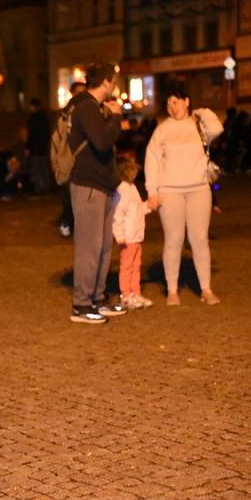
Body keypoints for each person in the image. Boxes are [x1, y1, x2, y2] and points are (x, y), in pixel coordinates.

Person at [145, 89, 223, 306]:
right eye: (169, 103)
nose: (172, 106)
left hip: (199, 188)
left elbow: (217, 128)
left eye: (176, 101)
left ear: (186, 101)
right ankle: (172, 290)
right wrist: (152, 191)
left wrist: (201, 111)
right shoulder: (162, 130)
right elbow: (152, 159)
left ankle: (206, 288)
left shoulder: (199, 125)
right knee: (173, 239)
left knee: (199, 239)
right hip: (170, 190)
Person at [68, 62, 127, 324]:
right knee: (89, 248)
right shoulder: (86, 108)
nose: (113, 86)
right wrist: (115, 117)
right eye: (111, 81)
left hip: (101, 185)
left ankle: (97, 298)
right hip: (88, 185)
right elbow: (102, 142)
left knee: (102, 247)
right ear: (105, 82)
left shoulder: (92, 108)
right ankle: (81, 304)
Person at [112, 156, 153, 310]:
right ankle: (126, 295)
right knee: (127, 266)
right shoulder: (121, 190)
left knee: (136, 266)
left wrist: (149, 205)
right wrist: (119, 235)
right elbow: (118, 214)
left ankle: (135, 292)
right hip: (128, 238)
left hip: (136, 236)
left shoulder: (132, 188)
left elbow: (138, 209)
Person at [58, 81, 87, 238]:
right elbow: (59, 139)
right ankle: (67, 221)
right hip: (69, 158)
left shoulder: (91, 110)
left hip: (85, 159)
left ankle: (78, 225)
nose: (81, 95)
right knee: (69, 193)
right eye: (78, 92)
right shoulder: (65, 114)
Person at [26, 98, 51, 194]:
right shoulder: (44, 118)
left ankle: (38, 188)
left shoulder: (33, 118)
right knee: (44, 167)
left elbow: (32, 134)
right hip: (43, 147)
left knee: (36, 168)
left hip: (35, 148)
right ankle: (46, 187)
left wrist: (28, 147)